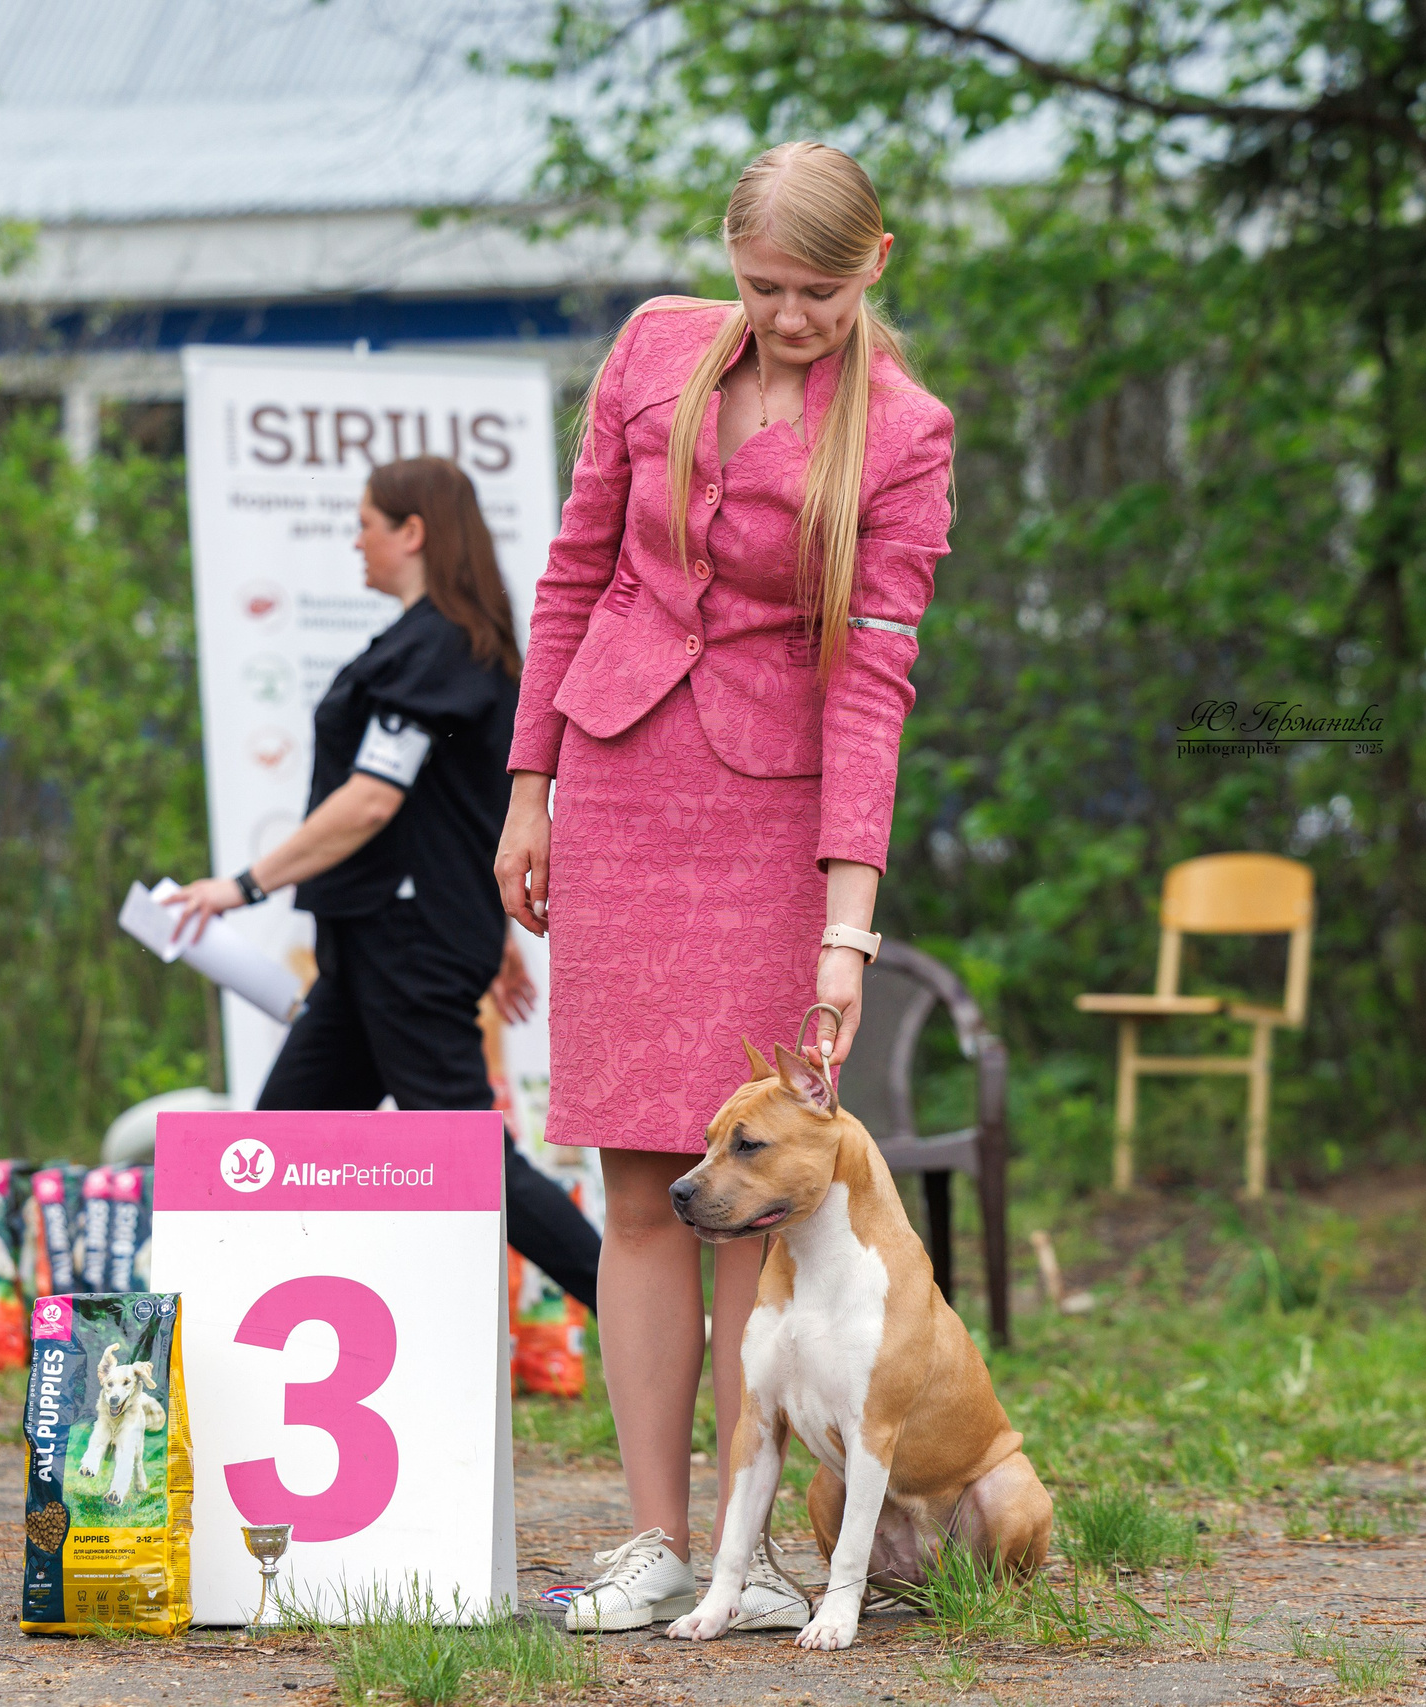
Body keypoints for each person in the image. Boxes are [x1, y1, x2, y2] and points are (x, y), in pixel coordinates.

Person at [493, 140, 955, 1633]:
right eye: (762, 285)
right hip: (621, 783)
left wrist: (846, 920)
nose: (785, 315)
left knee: (757, 1200)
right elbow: (571, 574)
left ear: (872, 265)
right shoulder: (654, 346)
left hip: (775, 817)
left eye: (816, 291)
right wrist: (530, 785)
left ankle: (762, 1550)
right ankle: (654, 1538)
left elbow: (875, 682)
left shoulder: (905, 431)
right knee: (637, 1177)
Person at [165, 456, 600, 1310]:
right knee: (272, 1153)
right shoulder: (433, 643)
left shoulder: (439, 646)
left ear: (413, 531)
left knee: (476, 1162)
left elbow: (372, 801)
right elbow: (457, 812)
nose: (354, 540)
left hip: (409, 949)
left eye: (366, 521)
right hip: (377, 947)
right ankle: (211, 1352)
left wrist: (242, 885)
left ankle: (651, 1319)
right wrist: (500, 933)